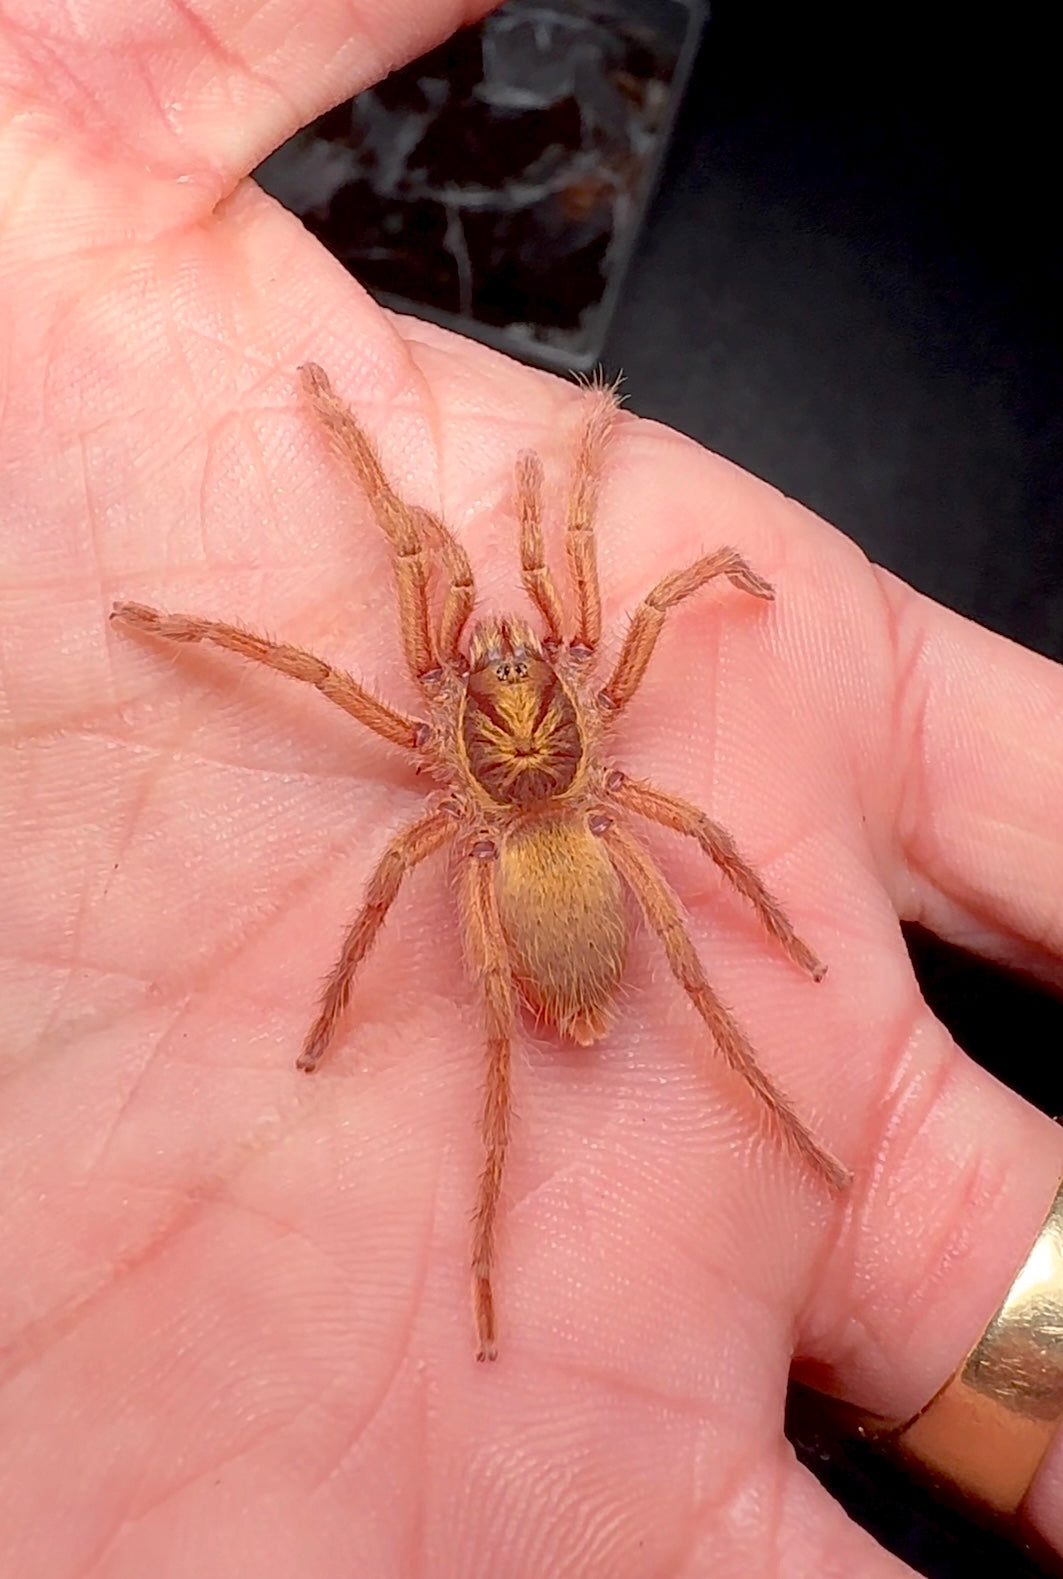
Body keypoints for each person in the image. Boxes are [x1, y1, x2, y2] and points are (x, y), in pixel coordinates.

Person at [2, 2, 1062, 1573]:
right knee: (563, 974)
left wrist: (638, 503)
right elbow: (529, 604)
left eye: (510, 670)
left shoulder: (480, 729)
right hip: (546, 851)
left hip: (536, 850)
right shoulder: (537, 719)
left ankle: (756, 1112)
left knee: (682, 950)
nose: (505, 662)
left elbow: (624, 601)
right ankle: (519, 1228)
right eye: (508, 672)